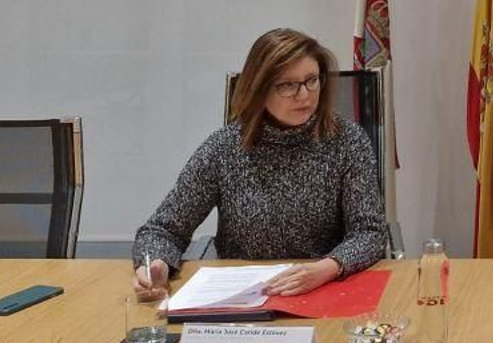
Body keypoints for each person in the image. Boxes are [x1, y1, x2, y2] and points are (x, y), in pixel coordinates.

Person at [131, 28, 387, 298]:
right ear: (259, 89)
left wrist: (328, 268)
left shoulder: (347, 141)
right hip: (246, 296)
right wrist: (156, 264)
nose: (304, 95)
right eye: (288, 85)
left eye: (312, 80)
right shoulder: (224, 148)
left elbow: (369, 233)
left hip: (323, 289)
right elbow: (162, 230)